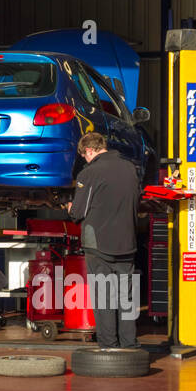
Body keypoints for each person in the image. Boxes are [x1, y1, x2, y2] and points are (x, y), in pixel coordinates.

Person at [68, 132, 141, 350]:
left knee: (104, 298)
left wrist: (70, 208)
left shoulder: (89, 173)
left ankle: (108, 347)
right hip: (127, 243)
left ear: (89, 151)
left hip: (99, 246)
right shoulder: (130, 169)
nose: (85, 159)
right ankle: (129, 346)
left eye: (84, 156)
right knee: (126, 299)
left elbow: (77, 213)